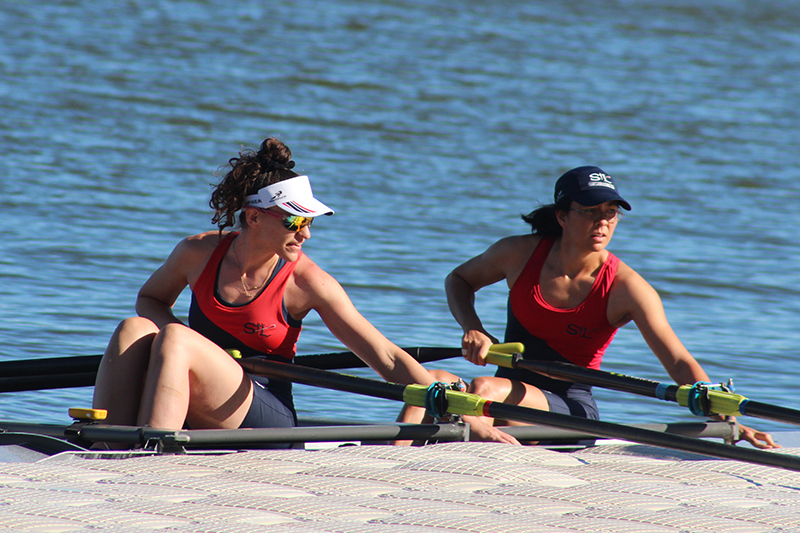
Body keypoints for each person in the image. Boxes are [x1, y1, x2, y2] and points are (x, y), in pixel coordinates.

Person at [92, 136, 517, 447]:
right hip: (206, 393)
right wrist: (183, 343)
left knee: (178, 340)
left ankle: (149, 453)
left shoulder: (308, 282)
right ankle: (105, 445)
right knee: (135, 328)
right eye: (296, 222)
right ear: (254, 218)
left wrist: (459, 411)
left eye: (310, 221)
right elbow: (150, 300)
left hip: (267, 415)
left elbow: (385, 357)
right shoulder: (196, 252)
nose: (307, 234)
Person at [399, 166, 778, 449]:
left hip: (571, 408)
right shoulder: (517, 253)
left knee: (481, 387)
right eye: (591, 211)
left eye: (611, 212)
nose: (603, 221)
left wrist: (727, 417)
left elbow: (679, 362)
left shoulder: (627, 287)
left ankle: (467, 434)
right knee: (429, 379)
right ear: (562, 216)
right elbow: (459, 280)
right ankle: (392, 456)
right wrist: (474, 327)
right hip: (508, 387)